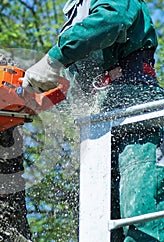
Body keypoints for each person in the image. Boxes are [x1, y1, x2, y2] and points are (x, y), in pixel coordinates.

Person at [22, 0, 164, 241]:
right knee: (99, 228)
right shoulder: (76, 9)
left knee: (143, 218)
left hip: (138, 118)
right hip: (100, 130)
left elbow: (111, 20)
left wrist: (54, 58)